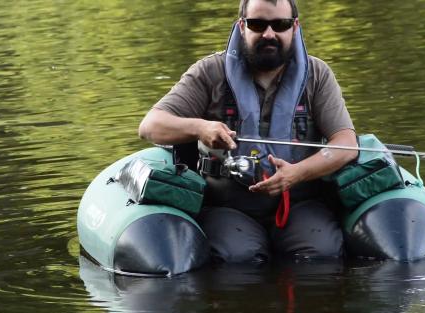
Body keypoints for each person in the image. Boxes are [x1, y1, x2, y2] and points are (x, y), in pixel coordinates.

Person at [138, 0, 358, 263]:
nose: (269, 34)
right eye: (257, 24)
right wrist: (200, 127)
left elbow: (346, 142)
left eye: (280, 25)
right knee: (238, 259)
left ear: (295, 27)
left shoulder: (318, 74)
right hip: (229, 205)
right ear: (242, 27)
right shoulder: (210, 72)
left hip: (300, 203)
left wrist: (297, 173)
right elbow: (150, 126)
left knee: (321, 255)